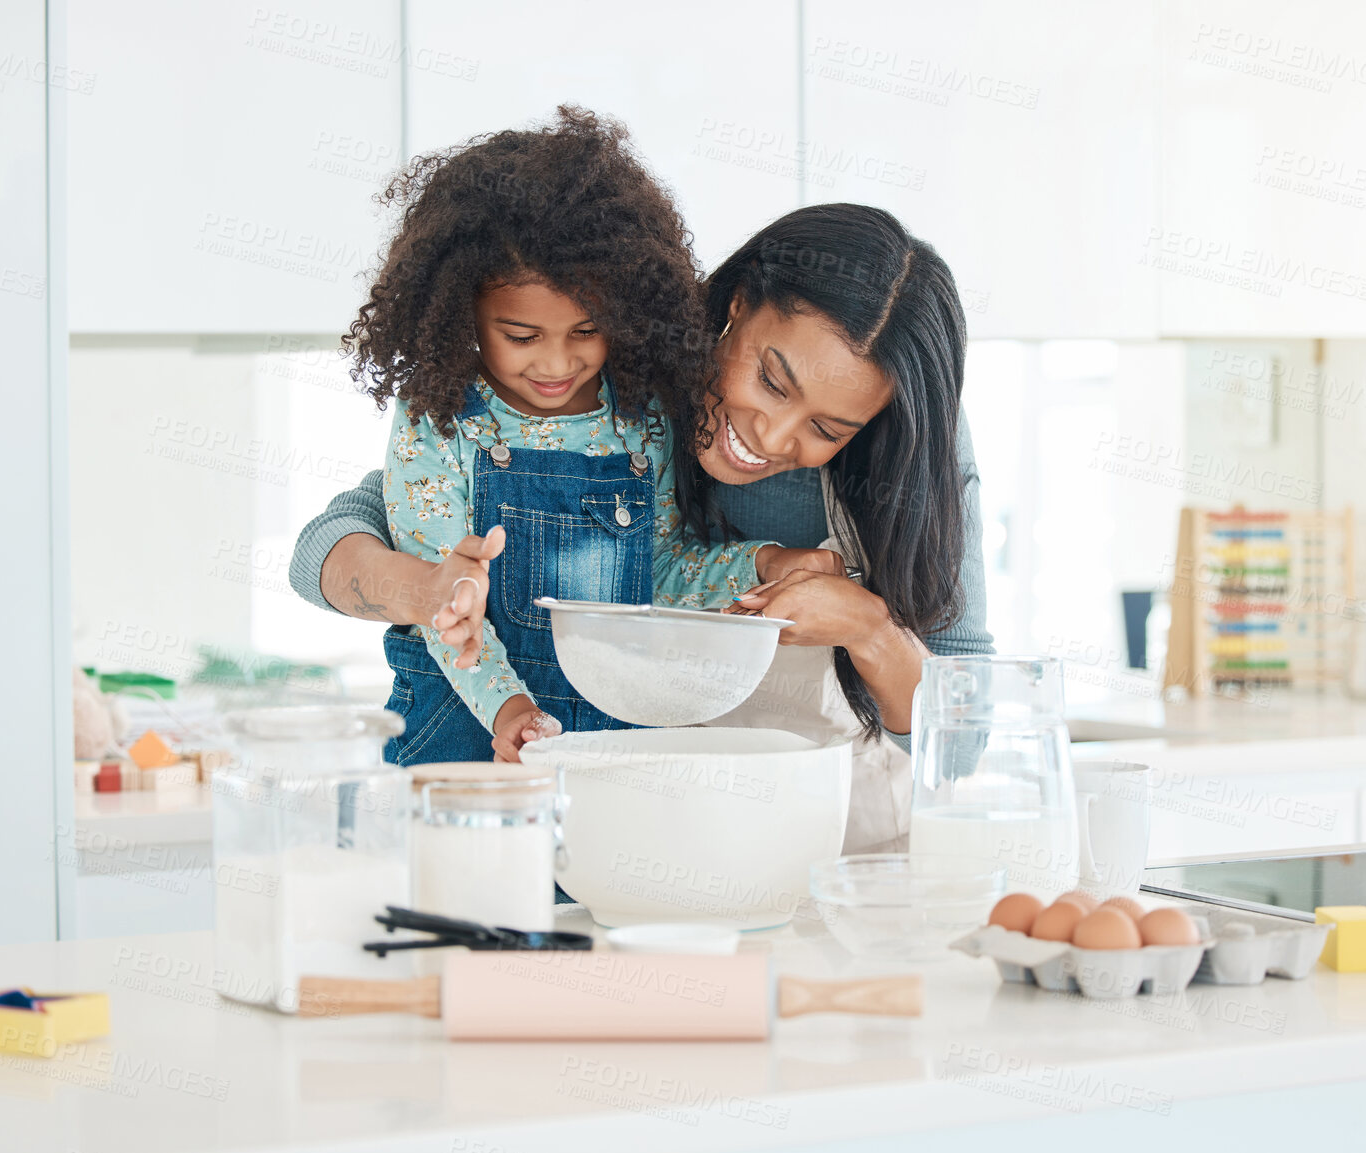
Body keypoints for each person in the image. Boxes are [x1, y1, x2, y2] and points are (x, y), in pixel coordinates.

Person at [293, 199, 992, 851]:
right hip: (629, 820)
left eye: (827, 428)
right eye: (771, 382)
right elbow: (330, 545)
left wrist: (867, 627)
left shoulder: (908, 444)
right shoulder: (603, 368)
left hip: (826, 854)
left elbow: (957, 747)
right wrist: (428, 590)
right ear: (738, 305)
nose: (772, 437)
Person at [342, 108, 827, 765]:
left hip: (616, 730)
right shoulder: (440, 418)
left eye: (584, 332)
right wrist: (507, 708)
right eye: (520, 337)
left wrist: (763, 564)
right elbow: (445, 606)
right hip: (462, 726)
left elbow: (662, 572)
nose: (555, 364)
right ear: (463, 312)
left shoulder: (640, 416)